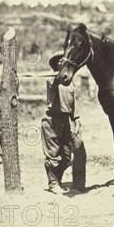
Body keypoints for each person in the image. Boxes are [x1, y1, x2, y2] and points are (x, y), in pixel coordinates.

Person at [42, 52, 85, 194]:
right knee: (53, 154)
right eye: (60, 61)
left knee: (67, 156)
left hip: (67, 120)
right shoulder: (52, 79)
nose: (63, 62)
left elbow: (73, 102)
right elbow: (56, 82)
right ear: (55, 64)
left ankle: (67, 182)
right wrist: (59, 74)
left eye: (65, 60)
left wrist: (76, 119)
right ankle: (53, 183)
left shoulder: (69, 82)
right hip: (52, 120)